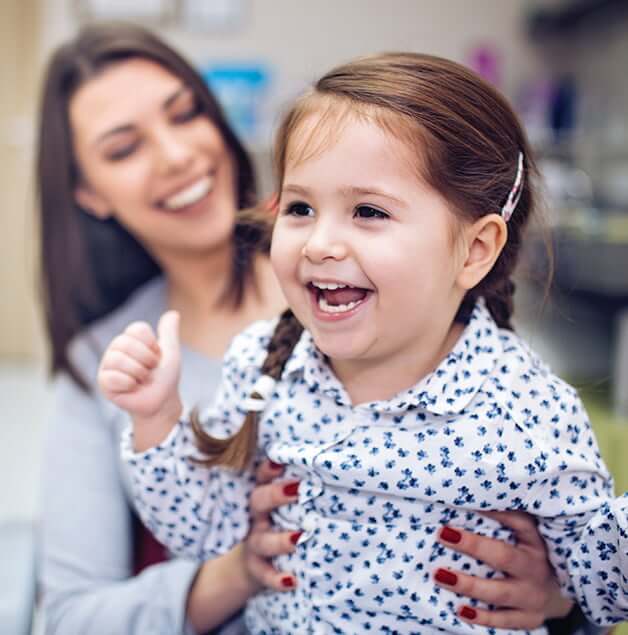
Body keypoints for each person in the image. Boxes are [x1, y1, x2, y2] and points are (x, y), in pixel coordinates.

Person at [99, 52, 626, 633]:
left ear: (475, 250)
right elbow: (200, 528)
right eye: (300, 207)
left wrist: (559, 593)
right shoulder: (262, 368)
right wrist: (155, 416)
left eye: (368, 211)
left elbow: (602, 582)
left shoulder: (527, 410)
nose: (319, 242)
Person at [37, 22, 295, 635]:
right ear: (88, 194)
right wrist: (238, 569)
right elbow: (71, 618)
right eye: (124, 149)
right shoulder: (100, 364)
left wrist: (553, 595)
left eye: (185, 115)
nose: (178, 156)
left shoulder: (351, 277)